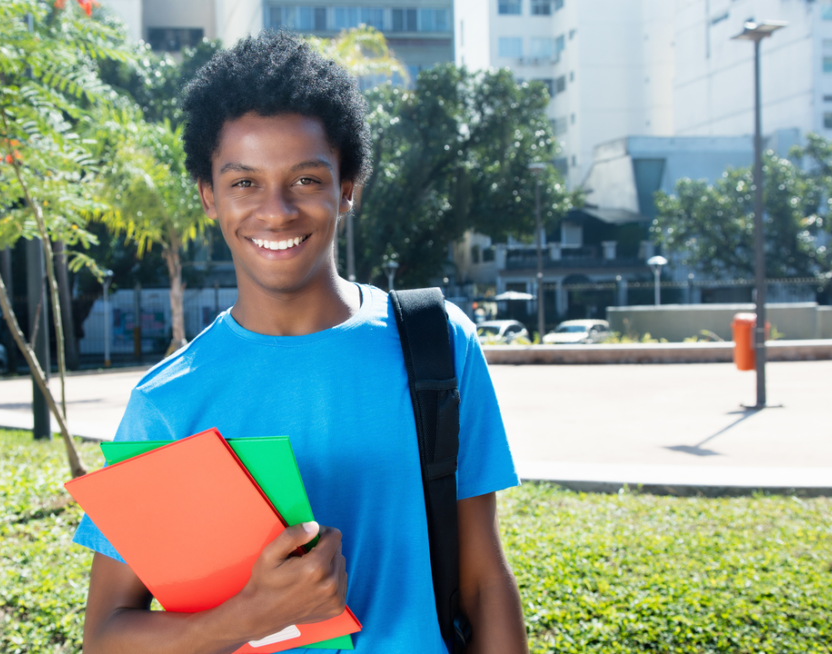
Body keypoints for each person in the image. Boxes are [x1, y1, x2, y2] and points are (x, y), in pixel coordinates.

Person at [74, 32, 528, 654]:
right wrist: (250, 616)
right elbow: (105, 637)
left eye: (307, 179)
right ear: (209, 196)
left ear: (347, 187)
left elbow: (483, 584)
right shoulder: (168, 401)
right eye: (244, 183)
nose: (277, 210)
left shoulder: (435, 343)